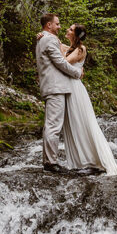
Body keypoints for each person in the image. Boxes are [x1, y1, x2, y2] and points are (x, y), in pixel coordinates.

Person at [35, 17, 117, 176]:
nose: (64, 28)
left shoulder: (80, 49)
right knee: (64, 125)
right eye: (59, 25)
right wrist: (43, 35)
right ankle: (64, 161)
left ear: (77, 34)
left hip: (72, 88)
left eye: (70, 29)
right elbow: (59, 55)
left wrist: (47, 38)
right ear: (49, 25)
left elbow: (62, 60)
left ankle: (88, 159)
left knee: (80, 123)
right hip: (63, 87)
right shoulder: (62, 45)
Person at [35, 12, 83, 173]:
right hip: (55, 87)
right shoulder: (48, 39)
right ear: (49, 25)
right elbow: (60, 63)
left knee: (52, 125)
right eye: (57, 23)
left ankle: (49, 160)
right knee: (53, 126)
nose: (60, 26)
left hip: (55, 87)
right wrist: (77, 73)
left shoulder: (46, 39)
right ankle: (50, 162)